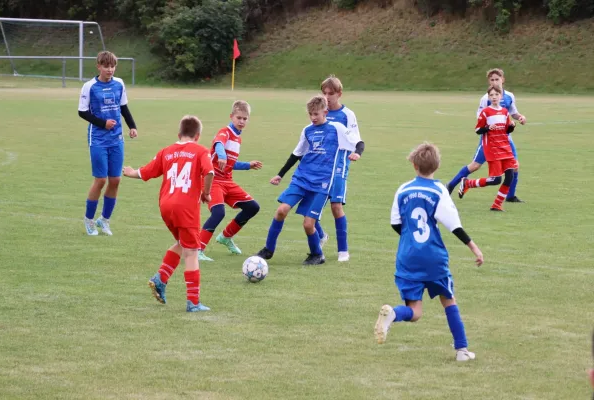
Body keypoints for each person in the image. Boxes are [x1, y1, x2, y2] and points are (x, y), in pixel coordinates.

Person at [374, 142, 484, 362]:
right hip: (433, 257)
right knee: (448, 300)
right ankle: (462, 350)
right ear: (437, 166)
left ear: (414, 165)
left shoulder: (403, 189)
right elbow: (454, 225)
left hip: (407, 256)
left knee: (415, 312)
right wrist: (474, 247)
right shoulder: (438, 190)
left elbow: (396, 223)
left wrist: (410, 240)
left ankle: (394, 314)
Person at [122, 116, 214, 312]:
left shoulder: (166, 151)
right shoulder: (201, 151)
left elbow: (146, 171)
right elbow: (210, 172)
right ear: (197, 136)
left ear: (178, 134)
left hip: (166, 205)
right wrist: (206, 194)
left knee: (183, 243)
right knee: (192, 252)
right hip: (186, 207)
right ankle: (193, 302)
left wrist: (130, 172)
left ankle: (161, 279)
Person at [257, 95, 360, 265]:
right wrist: (280, 175)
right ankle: (268, 249)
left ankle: (317, 255)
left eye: (316, 114)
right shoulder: (307, 130)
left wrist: (357, 153)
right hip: (301, 179)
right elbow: (296, 154)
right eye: (310, 114)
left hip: (322, 184)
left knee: (308, 224)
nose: (313, 118)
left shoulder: (337, 128)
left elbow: (358, 142)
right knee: (281, 210)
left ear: (325, 112)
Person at [78, 51, 138, 236]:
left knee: (116, 180)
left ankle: (104, 220)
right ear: (99, 66)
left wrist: (132, 126)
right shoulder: (89, 86)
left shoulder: (119, 84)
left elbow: (123, 107)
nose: (110, 70)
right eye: (106, 66)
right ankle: (88, 220)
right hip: (97, 138)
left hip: (116, 138)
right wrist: (102, 123)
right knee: (100, 180)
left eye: (112, 66)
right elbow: (82, 112)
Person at [447, 68, 527, 203]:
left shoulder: (509, 96)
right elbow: (480, 117)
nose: (495, 82)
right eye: (492, 80)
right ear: (489, 82)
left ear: (503, 79)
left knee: (515, 166)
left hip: (506, 140)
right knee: (475, 166)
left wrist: (519, 117)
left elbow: (512, 112)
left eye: (497, 79)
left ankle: (510, 196)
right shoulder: (486, 98)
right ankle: (451, 185)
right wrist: (490, 126)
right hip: (489, 141)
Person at [198, 100, 262, 262]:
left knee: (252, 207)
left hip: (227, 181)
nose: (241, 121)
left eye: (245, 119)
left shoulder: (238, 139)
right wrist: (222, 155)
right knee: (219, 212)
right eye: (238, 118)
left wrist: (248, 165)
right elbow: (219, 144)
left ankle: (226, 237)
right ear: (231, 117)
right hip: (213, 180)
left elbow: (230, 164)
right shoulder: (225, 132)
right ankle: (198, 249)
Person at [458, 85, 518, 211]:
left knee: (510, 176)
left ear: (500, 96)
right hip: (492, 148)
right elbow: (478, 130)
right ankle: (468, 183)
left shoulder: (505, 112)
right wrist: (488, 128)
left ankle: (497, 205)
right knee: (496, 180)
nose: (494, 97)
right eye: (491, 95)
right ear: (488, 97)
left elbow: (507, 130)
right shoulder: (486, 112)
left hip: (505, 147)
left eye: (496, 95)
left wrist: (512, 125)